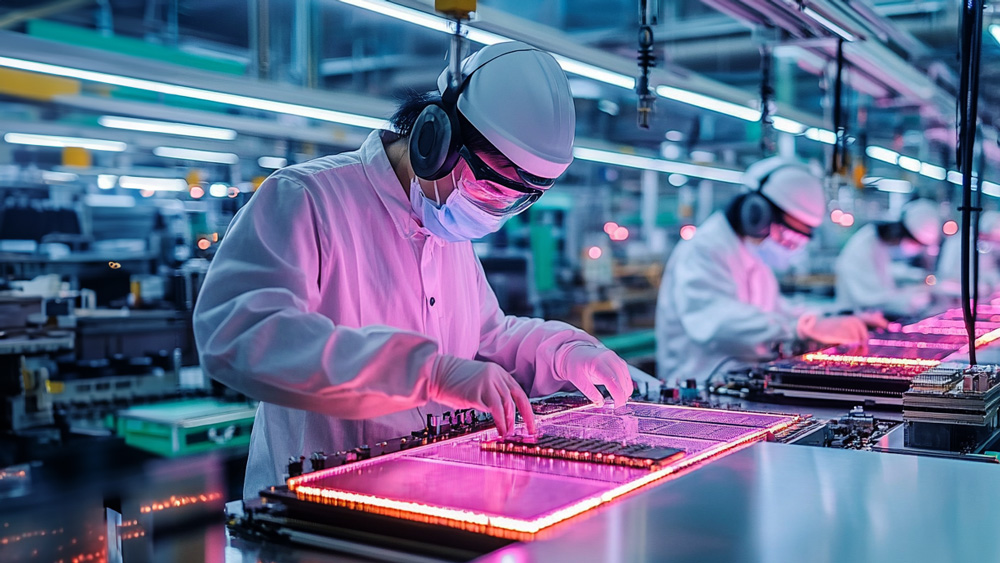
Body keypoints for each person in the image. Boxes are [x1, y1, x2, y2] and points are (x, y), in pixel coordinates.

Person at [193, 42, 633, 498]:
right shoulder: (307, 199)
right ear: (433, 141)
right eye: (489, 186)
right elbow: (237, 334)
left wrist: (563, 352)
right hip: (313, 513)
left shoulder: (444, 226)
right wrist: (428, 374)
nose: (494, 210)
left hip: (429, 502)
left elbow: (486, 340)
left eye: (514, 200)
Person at [655, 157, 869, 385]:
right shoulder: (704, 250)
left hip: (737, 382)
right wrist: (801, 330)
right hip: (698, 388)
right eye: (785, 236)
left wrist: (834, 317)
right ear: (755, 214)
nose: (787, 247)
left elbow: (777, 310)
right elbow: (720, 322)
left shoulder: (751, 254)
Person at [835, 199, 942, 317]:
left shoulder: (878, 244)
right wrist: (915, 295)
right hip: (855, 317)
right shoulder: (866, 246)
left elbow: (886, 276)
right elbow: (872, 299)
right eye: (915, 244)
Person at [935, 211, 1000, 299]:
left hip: (982, 301)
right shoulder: (958, 243)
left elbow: (992, 275)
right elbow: (942, 282)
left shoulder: (991, 247)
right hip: (957, 300)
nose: (996, 244)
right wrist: (975, 289)